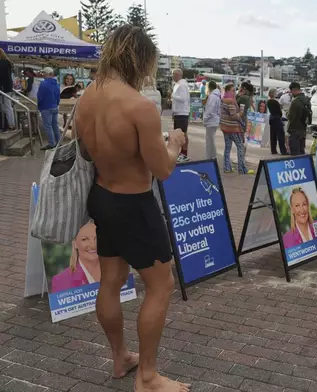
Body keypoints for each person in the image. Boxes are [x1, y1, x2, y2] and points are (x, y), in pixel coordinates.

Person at [75, 24, 190, 392]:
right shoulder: (140, 107)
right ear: (138, 59)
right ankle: (149, 377)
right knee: (161, 285)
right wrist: (174, 143)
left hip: (102, 197)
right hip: (134, 205)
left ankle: (121, 357)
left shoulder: (87, 97)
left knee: (111, 281)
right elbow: (163, 169)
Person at [51, 221, 100, 292]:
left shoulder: (118, 269)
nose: (93, 245)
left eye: (97, 238)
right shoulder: (61, 281)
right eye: (85, 239)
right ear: (75, 243)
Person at [220, 83, 254, 175]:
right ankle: (242, 168)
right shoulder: (231, 101)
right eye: (232, 90)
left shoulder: (223, 100)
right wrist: (241, 112)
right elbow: (234, 116)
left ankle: (227, 167)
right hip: (233, 127)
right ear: (227, 91)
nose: (234, 92)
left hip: (225, 127)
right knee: (240, 147)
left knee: (227, 147)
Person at [37, 67, 61, 150]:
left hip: (46, 107)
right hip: (54, 106)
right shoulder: (56, 84)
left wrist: (39, 106)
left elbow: (40, 97)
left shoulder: (43, 84)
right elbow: (58, 97)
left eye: (43, 73)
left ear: (46, 74)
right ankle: (58, 142)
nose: (42, 74)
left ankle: (52, 143)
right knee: (55, 125)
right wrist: (56, 104)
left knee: (48, 126)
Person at [286, 82, 311, 155]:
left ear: (293, 90)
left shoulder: (295, 101)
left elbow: (291, 117)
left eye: (291, 92)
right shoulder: (307, 100)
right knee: (301, 153)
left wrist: (287, 113)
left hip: (294, 130)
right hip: (303, 130)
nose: (291, 93)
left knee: (295, 154)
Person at [171, 68, 190, 162]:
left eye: (174, 74)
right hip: (179, 112)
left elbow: (183, 98)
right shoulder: (179, 84)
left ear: (178, 75)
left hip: (181, 113)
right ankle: (182, 153)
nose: (172, 76)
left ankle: (183, 154)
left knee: (181, 135)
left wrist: (172, 96)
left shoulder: (181, 85)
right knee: (181, 134)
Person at [202, 81, 221, 160]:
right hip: (214, 120)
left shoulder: (212, 96)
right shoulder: (216, 96)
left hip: (211, 120)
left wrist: (205, 119)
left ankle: (210, 157)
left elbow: (210, 109)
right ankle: (212, 156)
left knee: (209, 141)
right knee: (211, 140)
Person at [267, 88, 287, 155]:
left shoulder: (268, 101)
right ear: (273, 93)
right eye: (275, 92)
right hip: (277, 118)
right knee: (280, 135)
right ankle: (283, 151)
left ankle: (273, 150)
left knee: (273, 136)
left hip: (272, 118)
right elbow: (279, 111)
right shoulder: (275, 102)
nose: (276, 93)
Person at [0, 49, 15, 131]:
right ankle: (11, 124)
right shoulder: (7, 62)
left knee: (5, 106)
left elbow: (1, 77)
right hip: (8, 88)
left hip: (3, 88)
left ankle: (7, 124)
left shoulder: (2, 63)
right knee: (8, 106)